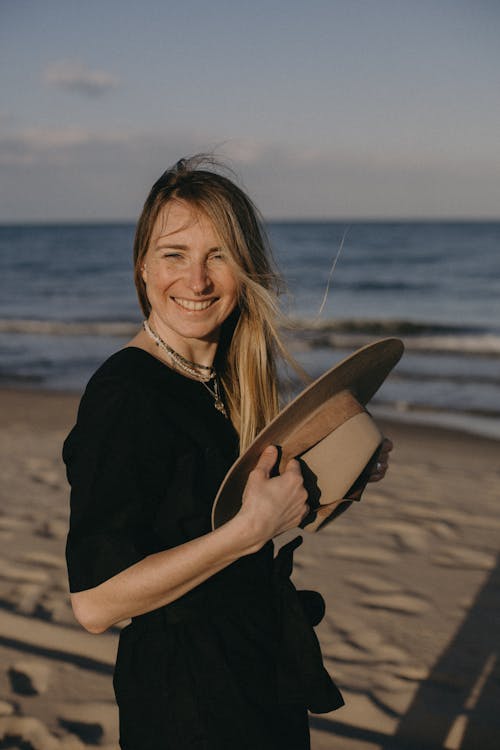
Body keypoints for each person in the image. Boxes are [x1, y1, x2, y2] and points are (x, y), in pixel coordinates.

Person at [63, 155, 392, 750]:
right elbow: (94, 603)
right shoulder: (125, 396)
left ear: (246, 270)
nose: (197, 281)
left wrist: (339, 471)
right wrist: (246, 533)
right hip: (187, 700)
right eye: (175, 254)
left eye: (218, 255)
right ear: (142, 266)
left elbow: (240, 508)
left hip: (257, 668)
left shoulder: (223, 380)